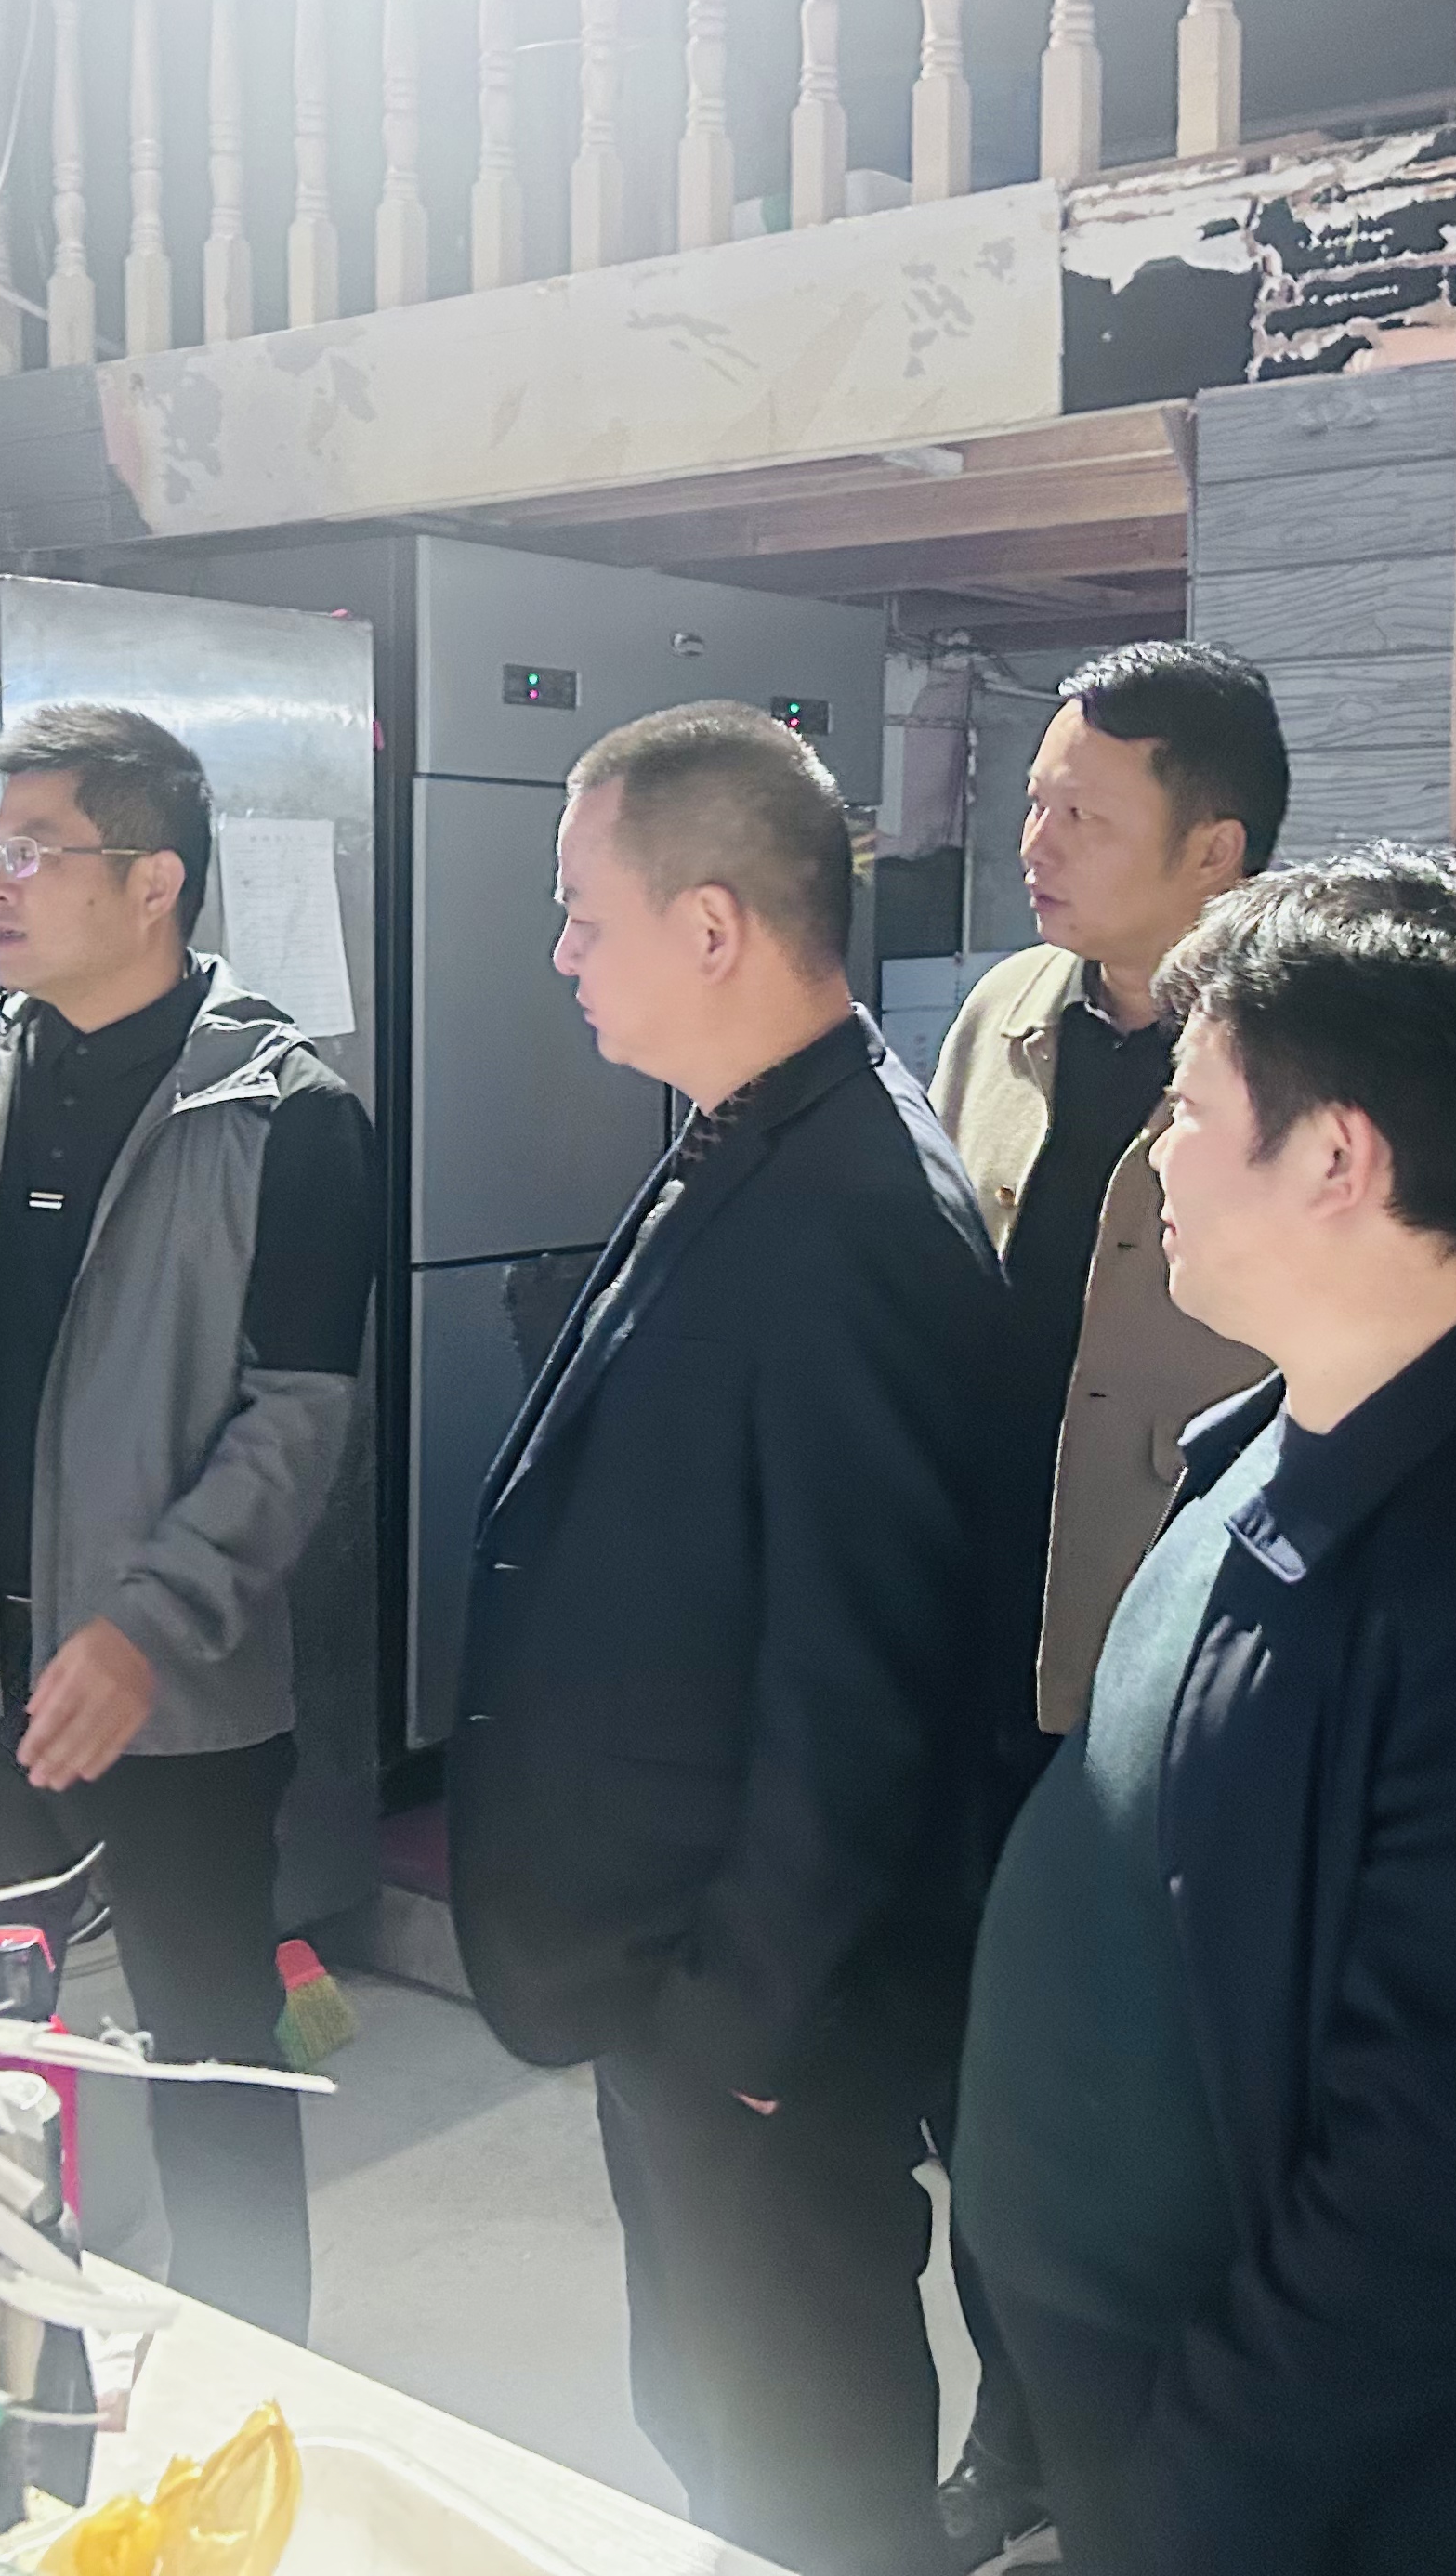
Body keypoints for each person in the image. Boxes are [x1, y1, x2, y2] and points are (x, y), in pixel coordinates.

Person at [953, 853, 1456, 2575]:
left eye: (1188, 1107)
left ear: (1335, 1157)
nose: (1155, 1152)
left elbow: (1444, 2203)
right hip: (1146, 2426)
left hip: (1323, 2510)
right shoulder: (1271, 1451)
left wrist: (1172, 2509)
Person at [452, 705, 1015, 2576]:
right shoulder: (751, 1138)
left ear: (711, 926)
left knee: (811, 2459)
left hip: (761, 2002)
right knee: (710, 2416)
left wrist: (748, 2016)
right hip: (681, 1967)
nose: (559, 952)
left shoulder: (858, 1207)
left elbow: (869, 1669)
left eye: (581, 912)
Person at [0, 703, 376, 2343]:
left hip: (172, 1709)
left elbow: (296, 1419)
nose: (1, 883)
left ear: (153, 880)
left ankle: (250, 2379)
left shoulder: (288, 1115)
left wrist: (142, 1625)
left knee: (209, 2055)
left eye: (38, 850)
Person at [925, 637, 1285, 2569]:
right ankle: (1022, 2424)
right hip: (977, 1630)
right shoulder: (1007, 1015)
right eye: (1035, 797)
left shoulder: (1300, 1058)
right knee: (988, 2077)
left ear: (1213, 849)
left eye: (1084, 810)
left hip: (1166, 1674)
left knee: (1158, 2095)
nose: (1036, 837)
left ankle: (1165, 2453)